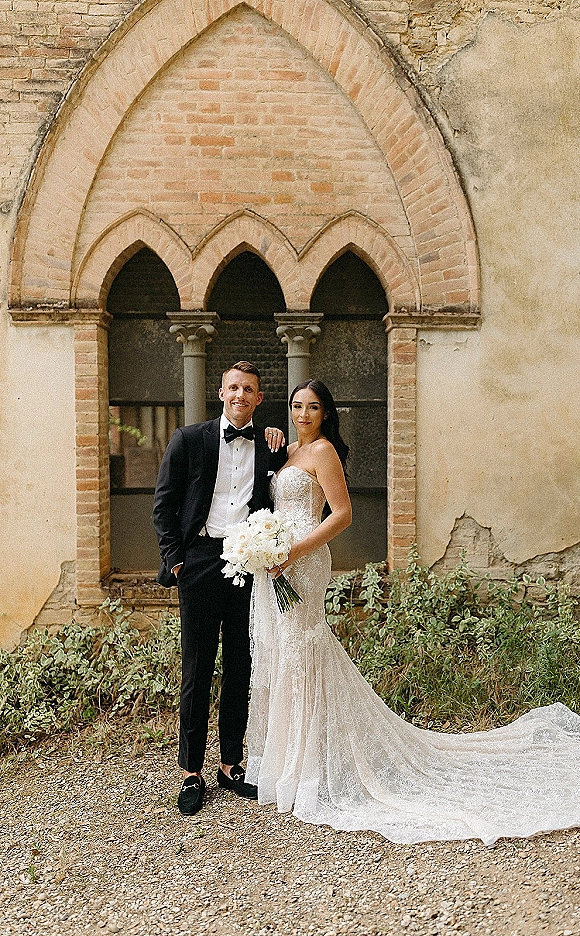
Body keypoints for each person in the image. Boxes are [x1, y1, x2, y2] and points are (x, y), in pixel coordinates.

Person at [245, 379, 580, 845]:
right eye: (297, 406)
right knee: (290, 652)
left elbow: (341, 515)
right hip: (280, 560)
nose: (303, 414)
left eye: (313, 407)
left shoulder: (322, 452)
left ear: (326, 413)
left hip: (304, 558)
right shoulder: (289, 454)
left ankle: (311, 767)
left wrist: (296, 550)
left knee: (304, 647)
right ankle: (296, 759)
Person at [153, 362, 286, 816]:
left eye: (249, 389)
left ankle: (231, 765)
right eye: (234, 387)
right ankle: (191, 772)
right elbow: (164, 504)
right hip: (201, 561)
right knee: (197, 666)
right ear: (221, 392)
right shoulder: (190, 439)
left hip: (249, 563)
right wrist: (175, 559)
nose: (240, 395)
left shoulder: (271, 447)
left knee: (240, 665)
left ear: (259, 398)